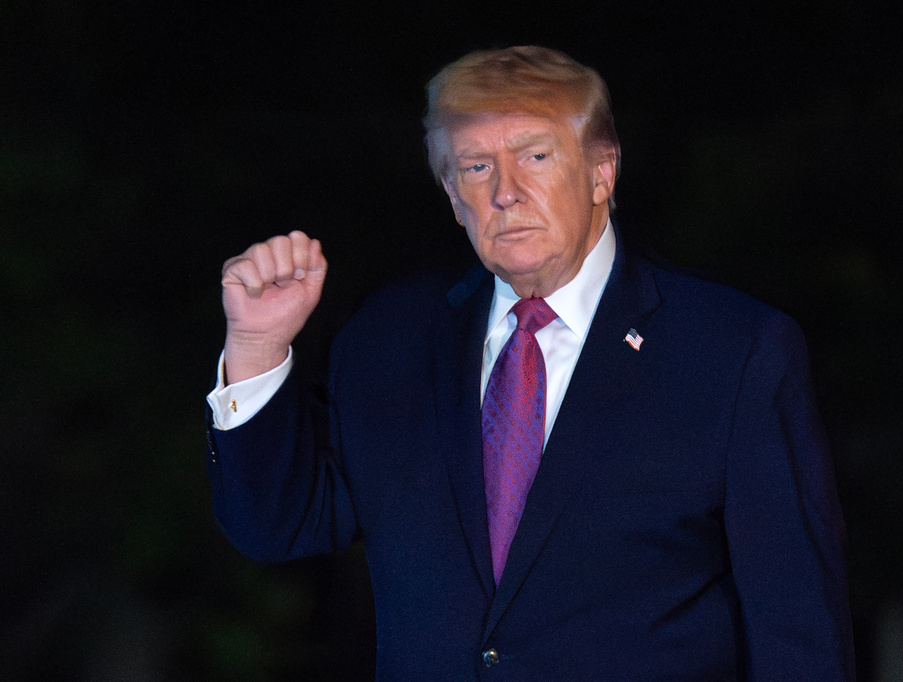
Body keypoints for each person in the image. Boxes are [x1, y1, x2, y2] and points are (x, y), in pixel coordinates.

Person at [206, 46, 855, 680]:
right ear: (453, 196)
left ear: (602, 170)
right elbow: (277, 527)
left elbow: (796, 629)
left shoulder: (731, 350)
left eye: (535, 157)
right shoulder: (389, 341)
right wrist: (257, 348)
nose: (506, 193)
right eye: (477, 167)